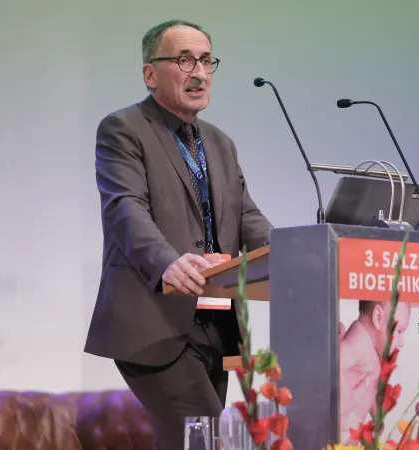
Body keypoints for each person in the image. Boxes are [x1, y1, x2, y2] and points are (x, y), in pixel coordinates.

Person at [83, 19, 272, 450]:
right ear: (151, 73)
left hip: (217, 322)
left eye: (207, 61)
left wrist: (302, 250)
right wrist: (167, 261)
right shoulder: (123, 129)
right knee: (206, 441)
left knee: (192, 443)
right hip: (154, 321)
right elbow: (124, 208)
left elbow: (249, 220)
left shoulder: (221, 143)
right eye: (184, 60)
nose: (200, 73)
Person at [339, 300, 411, 442]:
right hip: (341, 431)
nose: (401, 341)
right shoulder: (360, 340)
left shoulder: (373, 351)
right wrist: (346, 401)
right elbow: (335, 364)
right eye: (399, 331)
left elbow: (371, 388)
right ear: (378, 317)